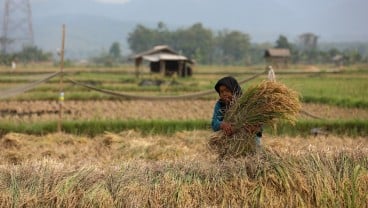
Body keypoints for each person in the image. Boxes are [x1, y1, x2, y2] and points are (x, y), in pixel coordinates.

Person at [211, 76, 262, 145]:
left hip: (249, 140)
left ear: (234, 90)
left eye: (227, 90)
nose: (224, 94)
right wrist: (222, 125)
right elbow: (214, 123)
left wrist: (254, 127)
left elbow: (259, 124)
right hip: (230, 141)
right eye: (221, 92)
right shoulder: (220, 104)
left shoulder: (246, 103)